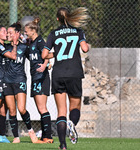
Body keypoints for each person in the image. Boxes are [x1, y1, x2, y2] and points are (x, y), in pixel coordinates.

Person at [42, 7, 89, 149]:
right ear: (69, 17)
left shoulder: (53, 33)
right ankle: (72, 124)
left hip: (58, 73)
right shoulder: (78, 31)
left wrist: (56, 54)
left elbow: (44, 55)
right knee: (75, 107)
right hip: (74, 72)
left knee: (61, 111)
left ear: (58, 19)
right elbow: (85, 49)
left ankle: (62, 145)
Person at [0, 22, 44, 144]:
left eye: (10, 33)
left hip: (19, 80)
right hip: (7, 82)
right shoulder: (5, 47)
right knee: (12, 110)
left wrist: (46, 64)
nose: (8, 35)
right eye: (7, 33)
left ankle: (32, 133)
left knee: (22, 108)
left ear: (17, 34)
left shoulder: (24, 47)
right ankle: (16, 137)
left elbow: (35, 58)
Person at [24, 18, 53, 143]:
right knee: (40, 108)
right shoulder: (31, 43)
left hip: (41, 77)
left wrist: (45, 64)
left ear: (33, 31)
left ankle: (48, 136)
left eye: (26, 31)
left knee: (42, 108)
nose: (25, 33)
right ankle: (45, 135)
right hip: (35, 77)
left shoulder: (40, 41)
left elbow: (47, 53)